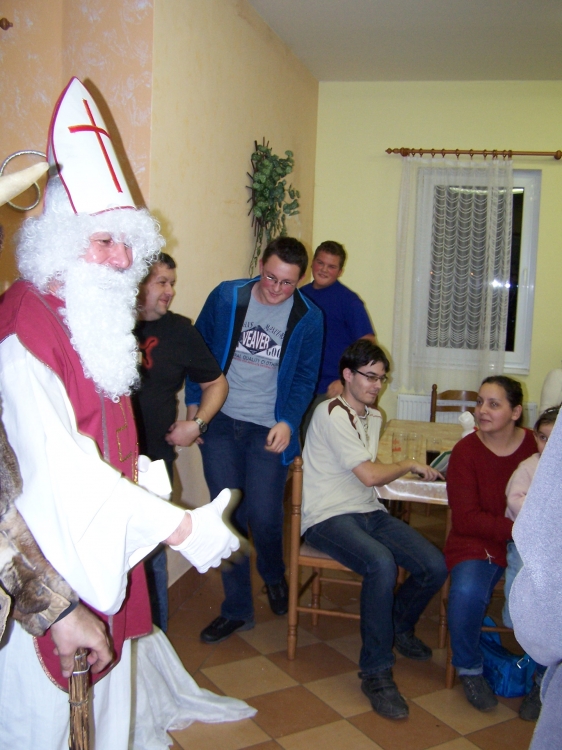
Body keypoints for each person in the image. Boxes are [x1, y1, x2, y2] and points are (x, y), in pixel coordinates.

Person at [0, 77, 241, 749]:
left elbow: (104, 437)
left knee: (110, 720)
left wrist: (147, 484)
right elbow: (56, 472)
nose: (123, 260)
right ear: (55, 243)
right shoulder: (25, 329)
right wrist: (179, 525)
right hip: (47, 577)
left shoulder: (86, 315)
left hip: (99, 556)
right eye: (105, 241)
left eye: (129, 243)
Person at [185, 237, 323, 644]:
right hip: (221, 421)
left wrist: (289, 421)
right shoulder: (228, 297)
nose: (277, 290)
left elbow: (305, 378)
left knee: (264, 516)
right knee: (226, 516)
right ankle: (237, 609)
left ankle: (274, 574)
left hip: (267, 428)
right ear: (261, 265)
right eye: (271, 277)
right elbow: (199, 350)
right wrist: (195, 407)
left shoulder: (309, 317)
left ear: (301, 280)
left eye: (288, 283)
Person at [301, 340, 447, 720]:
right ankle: (376, 673)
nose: (377, 385)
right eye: (369, 377)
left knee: (434, 565)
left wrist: (395, 468)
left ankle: (397, 625)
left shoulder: (374, 416)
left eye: (381, 378)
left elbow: (364, 470)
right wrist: (408, 463)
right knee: (381, 564)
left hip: (367, 510)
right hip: (325, 516)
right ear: (347, 375)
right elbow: (368, 473)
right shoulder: (330, 413)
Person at [134, 252, 228, 631]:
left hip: (155, 463)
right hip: (107, 462)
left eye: (172, 283)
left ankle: (154, 640)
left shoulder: (180, 332)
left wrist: (197, 424)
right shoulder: (109, 323)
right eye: (162, 282)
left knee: (152, 557)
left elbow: (216, 383)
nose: (170, 291)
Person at [444, 375, 536, 713]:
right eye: (480, 402)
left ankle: (543, 677)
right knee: (466, 592)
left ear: (516, 412)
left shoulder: (536, 446)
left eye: (493, 404)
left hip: (526, 544)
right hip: (477, 542)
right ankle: (469, 668)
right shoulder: (465, 451)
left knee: (551, 594)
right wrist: (519, 530)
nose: (482, 410)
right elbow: (466, 519)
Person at [502, 406, 559, 720]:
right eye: (542, 437)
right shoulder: (529, 466)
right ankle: (519, 619)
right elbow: (515, 499)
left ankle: (543, 680)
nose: (547, 445)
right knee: (524, 580)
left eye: (555, 438)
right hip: (526, 542)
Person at [300, 240, 376, 435]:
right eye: (320, 263)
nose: (324, 269)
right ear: (312, 263)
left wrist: (344, 381)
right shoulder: (299, 296)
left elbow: (368, 345)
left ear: (340, 271)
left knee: (325, 446)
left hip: (331, 390)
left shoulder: (348, 301)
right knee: (299, 446)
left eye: (331, 266)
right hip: (302, 386)